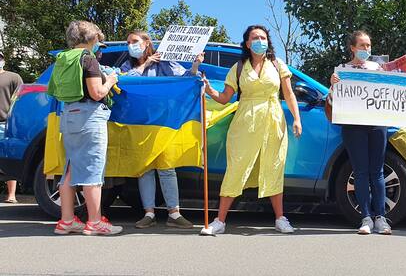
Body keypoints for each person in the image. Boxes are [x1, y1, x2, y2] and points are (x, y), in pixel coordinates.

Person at [200, 25, 302, 235]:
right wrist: (209, 90)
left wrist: (297, 119)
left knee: (273, 166)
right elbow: (224, 98)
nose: (259, 41)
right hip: (245, 122)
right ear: (247, 43)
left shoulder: (277, 64)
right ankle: (220, 221)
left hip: (273, 121)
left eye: (263, 37)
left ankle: (280, 218)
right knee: (237, 166)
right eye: (255, 38)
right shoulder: (238, 68)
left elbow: (289, 94)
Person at [120, 31, 204, 230]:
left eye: (134, 41)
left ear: (146, 42)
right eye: (128, 42)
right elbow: (125, 80)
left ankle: (174, 214)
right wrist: (145, 64)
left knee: (167, 167)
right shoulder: (127, 65)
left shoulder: (164, 62)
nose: (130, 45)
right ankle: (149, 213)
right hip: (139, 123)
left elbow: (186, 78)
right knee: (145, 169)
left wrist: (195, 65)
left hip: (164, 123)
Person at [50, 20, 122, 235]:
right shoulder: (88, 59)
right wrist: (109, 80)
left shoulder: (63, 58)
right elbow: (97, 93)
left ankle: (67, 221)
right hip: (90, 117)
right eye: (98, 39)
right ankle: (95, 222)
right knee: (92, 169)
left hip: (69, 115)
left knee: (70, 170)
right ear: (91, 38)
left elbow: (53, 89)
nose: (100, 43)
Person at [328, 30, 392, 235]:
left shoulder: (379, 68)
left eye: (369, 46)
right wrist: (333, 87)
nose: (366, 49)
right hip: (353, 126)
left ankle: (381, 218)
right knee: (361, 171)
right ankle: (366, 217)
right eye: (363, 45)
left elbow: (396, 94)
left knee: (378, 171)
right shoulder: (342, 71)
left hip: (377, 124)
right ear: (352, 48)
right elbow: (332, 103)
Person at [0, 53, 23, 203]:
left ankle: (12, 195)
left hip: (5, 123)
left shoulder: (13, 77)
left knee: (8, 159)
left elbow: (20, 99)